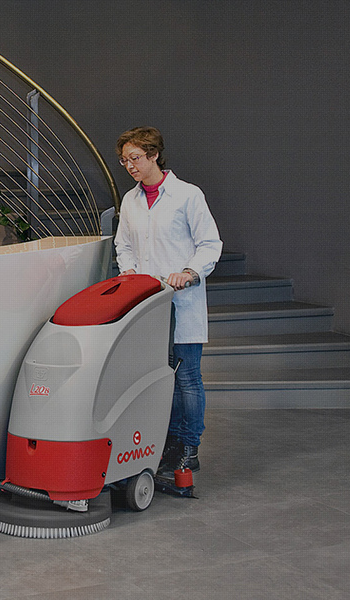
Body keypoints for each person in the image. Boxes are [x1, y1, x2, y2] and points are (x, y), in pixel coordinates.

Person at [113, 126, 222, 480]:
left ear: (154, 155)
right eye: (124, 160)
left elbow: (210, 244)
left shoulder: (187, 195)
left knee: (186, 377)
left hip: (181, 299)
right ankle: (167, 444)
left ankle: (189, 447)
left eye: (135, 158)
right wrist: (129, 271)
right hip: (147, 303)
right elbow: (123, 244)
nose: (130, 166)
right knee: (158, 378)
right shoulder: (130, 200)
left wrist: (189, 272)